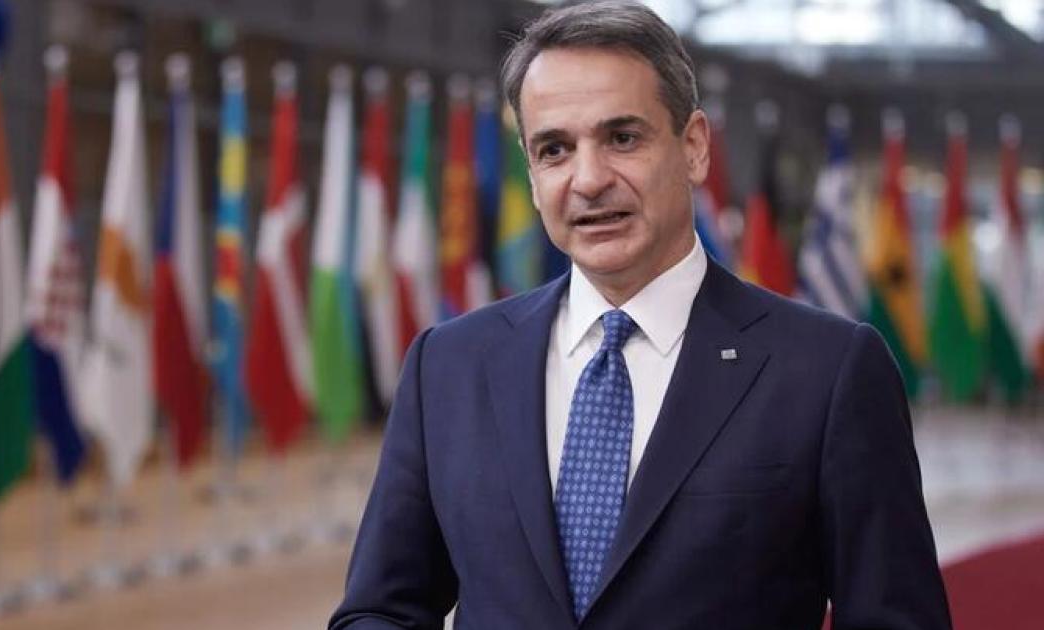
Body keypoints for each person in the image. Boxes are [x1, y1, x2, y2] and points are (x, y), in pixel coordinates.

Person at [329, 2, 952, 628]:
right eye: (555, 149)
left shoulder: (828, 371)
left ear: (694, 147)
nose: (588, 179)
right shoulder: (447, 365)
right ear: (532, 173)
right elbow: (379, 610)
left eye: (622, 138)